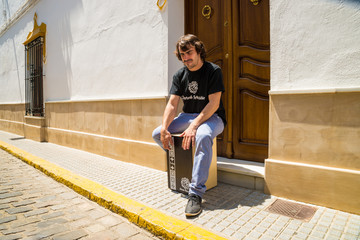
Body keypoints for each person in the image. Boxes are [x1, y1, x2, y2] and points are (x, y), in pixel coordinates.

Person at [152, 34, 226, 217]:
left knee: (202, 135)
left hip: (212, 117)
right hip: (187, 116)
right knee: (157, 133)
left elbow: (214, 104)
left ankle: (195, 193)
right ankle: (185, 163)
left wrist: (194, 126)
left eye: (189, 53)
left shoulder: (213, 71)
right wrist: (164, 127)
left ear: (199, 50)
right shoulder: (180, 75)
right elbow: (172, 104)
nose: (186, 58)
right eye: (182, 55)